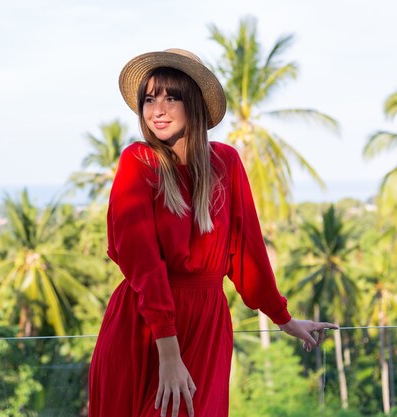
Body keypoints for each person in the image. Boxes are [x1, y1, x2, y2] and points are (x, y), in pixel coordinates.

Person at [87, 48, 338, 417]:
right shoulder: (137, 161)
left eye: (172, 97)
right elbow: (142, 263)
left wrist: (283, 318)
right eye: (149, 99)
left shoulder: (227, 163)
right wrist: (168, 353)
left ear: (196, 103)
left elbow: (247, 253)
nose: (158, 110)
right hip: (145, 325)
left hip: (206, 325)